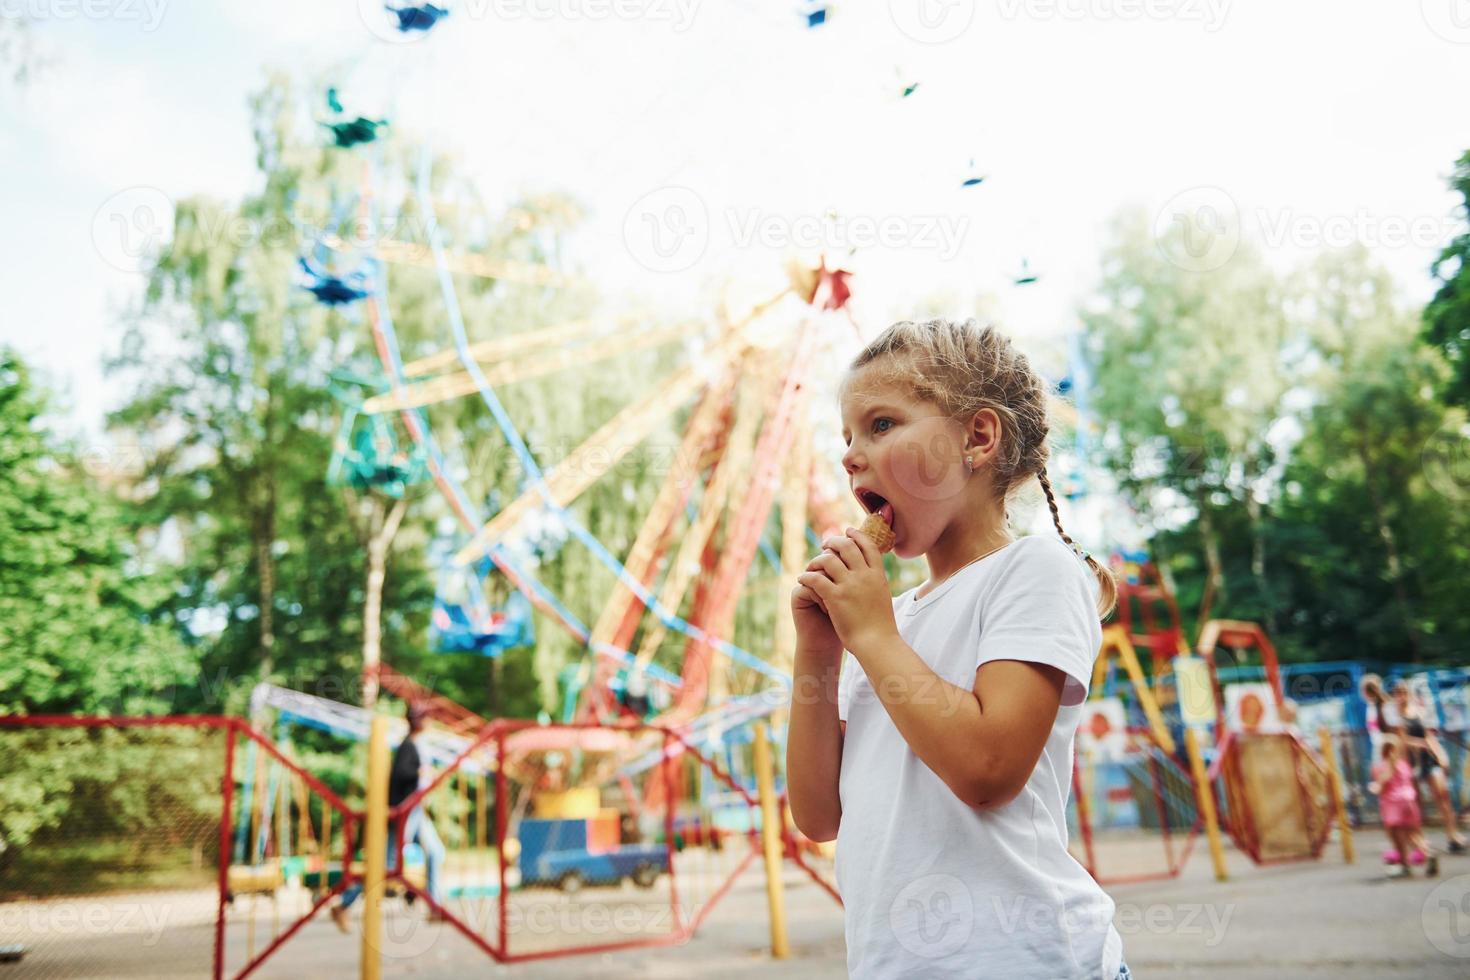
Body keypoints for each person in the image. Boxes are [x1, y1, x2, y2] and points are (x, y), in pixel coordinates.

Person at [786, 318, 1128, 979]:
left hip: (1030, 962)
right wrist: (820, 652)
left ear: (977, 437)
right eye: (848, 437)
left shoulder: (1037, 570)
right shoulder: (893, 620)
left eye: (882, 425)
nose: (852, 455)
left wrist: (871, 635)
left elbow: (987, 769)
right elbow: (818, 813)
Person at [332, 701, 448, 933]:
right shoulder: (408, 746)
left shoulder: (421, 745)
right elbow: (401, 775)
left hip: (416, 810)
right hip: (405, 812)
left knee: (435, 852)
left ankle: (435, 906)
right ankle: (344, 904)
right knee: (384, 865)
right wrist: (420, 772)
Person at [1388, 680, 1466, 853]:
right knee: (1416, 804)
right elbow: (1400, 741)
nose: (1400, 697)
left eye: (1403, 693)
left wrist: (1440, 755)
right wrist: (1418, 743)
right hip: (1409, 761)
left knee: (1442, 795)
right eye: (1397, 693)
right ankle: (1420, 840)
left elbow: (1429, 736)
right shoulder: (1395, 718)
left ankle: (1452, 835)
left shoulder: (1418, 712)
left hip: (1427, 759)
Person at [1370, 736, 1435, 878]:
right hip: (1409, 801)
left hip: (1394, 805)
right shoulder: (1404, 765)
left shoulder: (1382, 767)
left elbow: (1381, 784)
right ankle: (1428, 854)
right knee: (1412, 834)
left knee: (1398, 836)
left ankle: (1405, 865)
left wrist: (1378, 784)